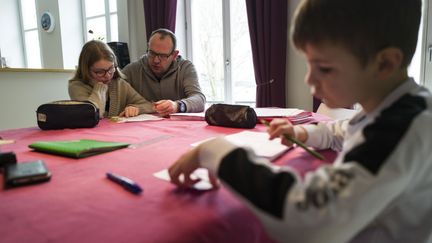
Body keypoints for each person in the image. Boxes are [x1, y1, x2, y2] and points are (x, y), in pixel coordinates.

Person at [168, 0, 432, 242]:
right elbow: (342, 132)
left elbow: (309, 219)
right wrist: (303, 133)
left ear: (384, 63)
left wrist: (215, 151)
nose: (309, 81)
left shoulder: (402, 127)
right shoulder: (395, 108)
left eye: (324, 68)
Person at [122, 28, 206, 117]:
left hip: (177, 127)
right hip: (142, 128)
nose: (156, 60)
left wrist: (177, 106)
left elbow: (199, 99)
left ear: (174, 55)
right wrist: (130, 107)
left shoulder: (185, 68)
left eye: (163, 56)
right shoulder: (132, 70)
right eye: (152, 53)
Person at [69, 40, 154, 118]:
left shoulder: (119, 84)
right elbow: (91, 115)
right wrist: (99, 88)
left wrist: (136, 108)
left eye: (111, 69)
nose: (107, 76)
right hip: (89, 134)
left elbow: (148, 105)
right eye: (100, 72)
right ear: (86, 70)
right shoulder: (76, 87)